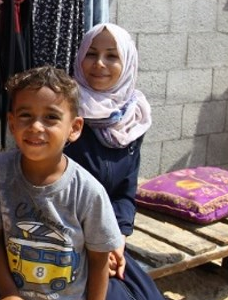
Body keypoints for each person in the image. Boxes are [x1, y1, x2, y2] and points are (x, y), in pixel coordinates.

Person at [0, 66, 124, 300]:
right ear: (12, 124)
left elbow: (99, 258)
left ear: (74, 128)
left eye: (51, 117)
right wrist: (8, 292)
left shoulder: (88, 191)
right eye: (25, 115)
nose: (36, 127)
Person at [64, 23, 163, 300]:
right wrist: (97, 244)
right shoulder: (60, 110)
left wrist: (117, 240)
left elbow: (124, 194)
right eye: (91, 53)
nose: (99, 64)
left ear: (128, 62)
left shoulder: (132, 120)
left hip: (108, 239)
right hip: (63, 238)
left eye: (112, 56)